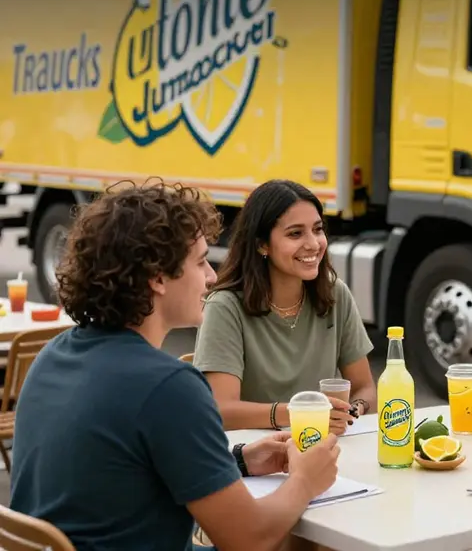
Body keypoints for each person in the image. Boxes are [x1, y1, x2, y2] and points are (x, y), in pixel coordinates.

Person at [9, 180, 340, 551]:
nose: (212, 276)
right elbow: (249, 539)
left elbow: (120, 472)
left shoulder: (53, 355)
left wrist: (239, 461)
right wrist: (305, 480)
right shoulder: (168, 387)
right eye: (200, 262)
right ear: (157, 277)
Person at [193, 179, 376, 433]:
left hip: (322, 445)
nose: (313, 244)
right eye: (295, 233)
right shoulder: (225, 306)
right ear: (262, 244)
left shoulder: (335, 294)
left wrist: (353, 409)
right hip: (255, 452)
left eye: (317, 229)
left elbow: (364, 388)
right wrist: (302, 413)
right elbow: (221, 410)